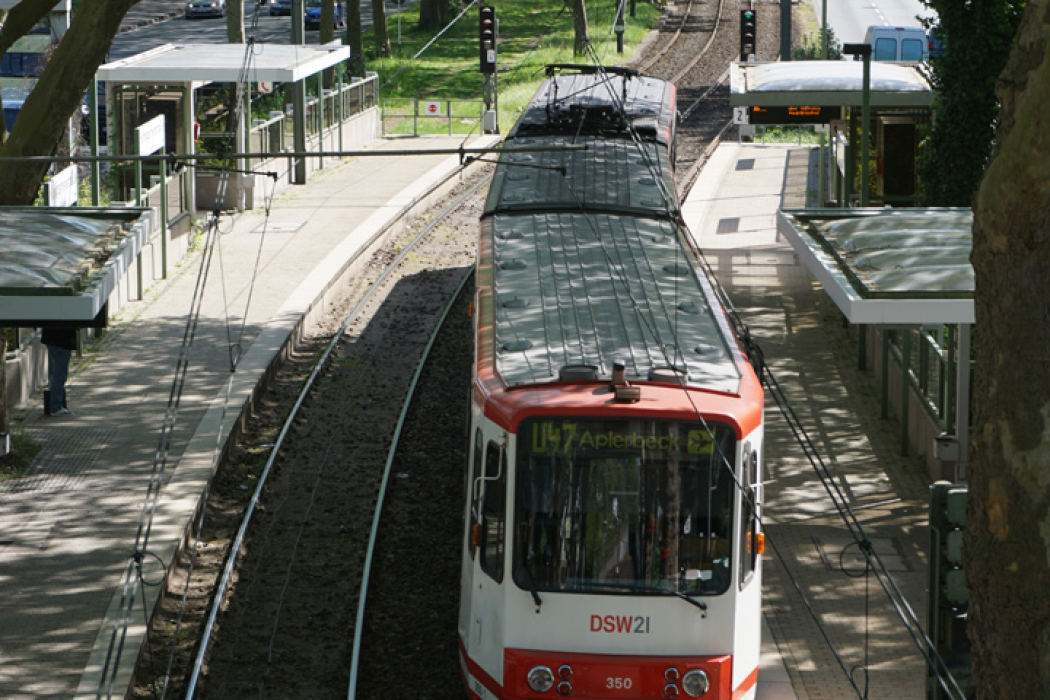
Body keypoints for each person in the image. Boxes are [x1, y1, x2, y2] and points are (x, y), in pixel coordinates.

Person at [41, 326, 78, 416]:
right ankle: (55, 406)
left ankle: (57, 404)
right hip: (61, 341)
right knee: (59, 374)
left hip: (54, 339)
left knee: (58, 373)